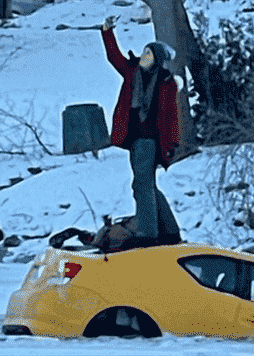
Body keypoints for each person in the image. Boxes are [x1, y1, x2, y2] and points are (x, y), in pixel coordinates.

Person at [100, 15, 181, 243]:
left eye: (149, 54)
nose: (144, 56)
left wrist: (173, 144)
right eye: (144, 52)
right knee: (147, 184)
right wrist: (107, 31)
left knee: (141, 184)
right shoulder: (131, 71)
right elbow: (114, 57)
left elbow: (171, 118)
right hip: (134, 140)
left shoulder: (166, 83)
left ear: (157, 60)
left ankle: (148, 232)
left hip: (150, 141)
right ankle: (170, 229)